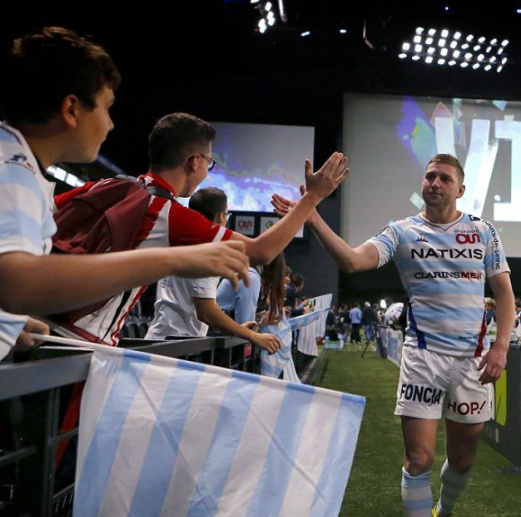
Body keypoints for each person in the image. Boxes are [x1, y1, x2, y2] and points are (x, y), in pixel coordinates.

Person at [274, 153, 514, 517]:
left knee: (464, 458)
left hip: (472, 362)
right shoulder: (402, 232)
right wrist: (311, 214)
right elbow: (352, 261)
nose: (434, 183)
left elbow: (504, 294)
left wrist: (500, 348)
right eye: (429, 176)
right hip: (422, 358)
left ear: (461, 189)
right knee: (418, 460)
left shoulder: (483, 230)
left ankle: (444, 512)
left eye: (444, 178)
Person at [0, 27, 250, 360]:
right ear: (71, 109)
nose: (110, 124)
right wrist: (174, 258)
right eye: (105, 108)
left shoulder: (17, 167)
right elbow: (16, 285)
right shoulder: (13, 173)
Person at [50, 112, 348, 345]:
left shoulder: (108, 185)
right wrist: (312, 197)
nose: (208, 168)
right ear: (195, 162)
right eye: (209, 161)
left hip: (40, 324)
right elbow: (262, 252)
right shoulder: (167, 213)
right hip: (85, 343)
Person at [145, 188, 280, 353]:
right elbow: (207, 313)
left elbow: (195, 310)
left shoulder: (181, 242)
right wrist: (252, 336)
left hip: (164, 341)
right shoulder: (206, 251)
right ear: (220, 217)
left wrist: (237, 329)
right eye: (227, 214)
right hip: (175, 347)